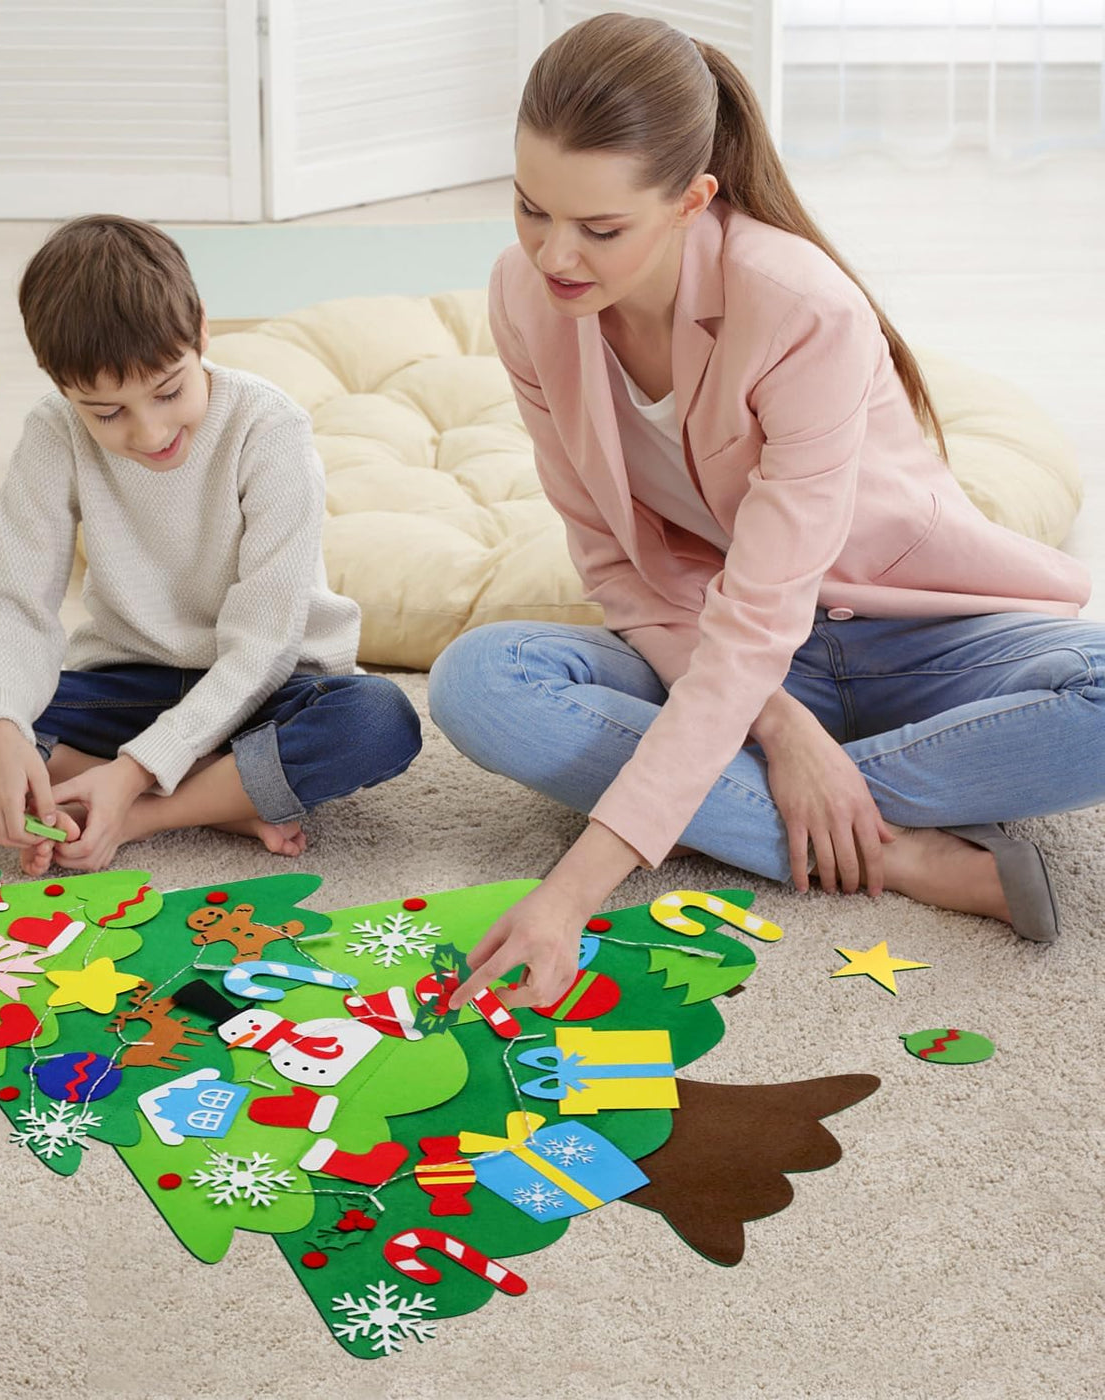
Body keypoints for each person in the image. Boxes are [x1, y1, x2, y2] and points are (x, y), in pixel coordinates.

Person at [430, 14, 1103, 1011]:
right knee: (479, 681)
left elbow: (766, 611)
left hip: (909, 633)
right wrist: (781, 733)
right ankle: (898, 851)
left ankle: (762, 806)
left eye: (600, 229)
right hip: (722, 646)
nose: (554, 254)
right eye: (531, 208)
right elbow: (618, 569)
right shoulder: (524, 297)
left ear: (690, 201)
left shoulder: (800, 306)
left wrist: (567, 894)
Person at [0, 215, 421, 875]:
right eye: (107, 412)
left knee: (377, 720)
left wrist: (134, 776)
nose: (150, 431)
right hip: (130, 685)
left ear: (201, 331)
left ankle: (137, 810)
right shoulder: (53, 433)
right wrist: (2, 729)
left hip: (268, 685)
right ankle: (215, 796)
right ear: (59, 384)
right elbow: (13, 602)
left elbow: (265, 646)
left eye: (168, 392)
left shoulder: (270, 427)